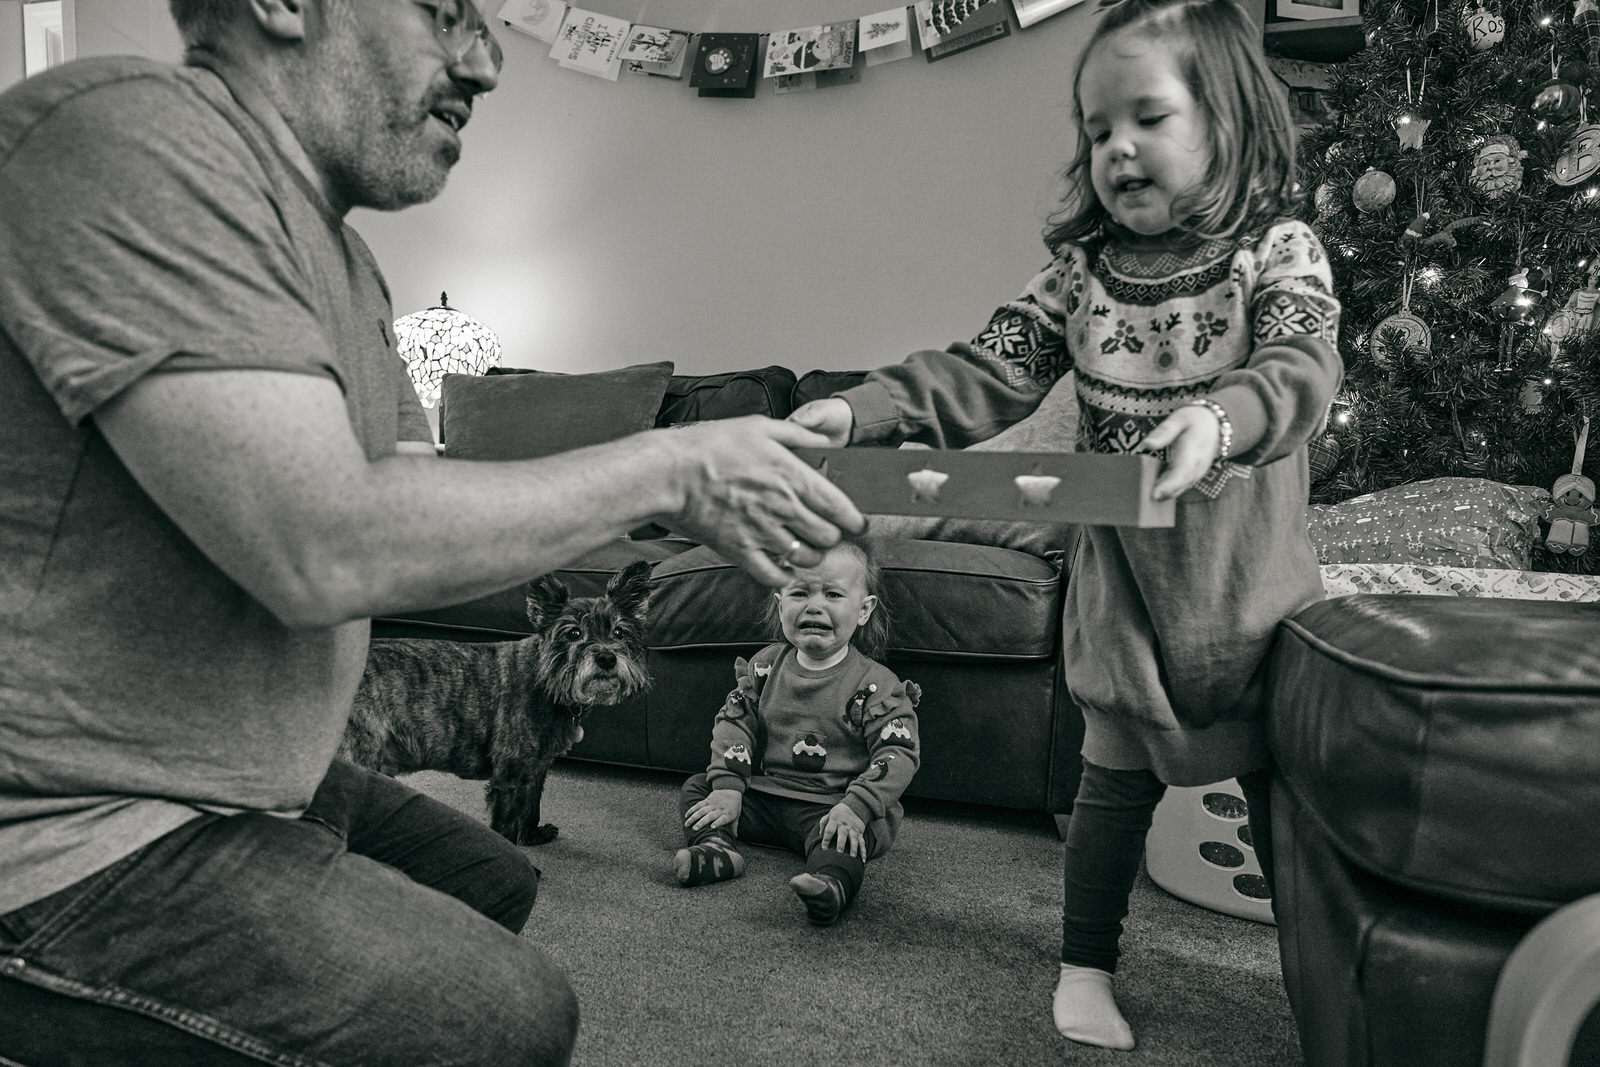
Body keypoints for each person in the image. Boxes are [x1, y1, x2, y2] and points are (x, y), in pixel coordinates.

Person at [0, 2, 864, 1063]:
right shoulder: (127, 137)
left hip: (256, 774)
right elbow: (325, 544)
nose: (489, 61)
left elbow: (416, 512)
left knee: (494, 875)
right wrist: (672, 467)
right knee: (507, 1014)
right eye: (446, 12)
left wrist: (686, 510)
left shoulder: (352, 270)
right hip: (69, 834)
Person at [790, 0, 1341, 1049]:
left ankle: (1313, 980)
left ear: (1224, 121)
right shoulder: (1075, 278)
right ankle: (1084, 962)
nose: (1115, 147)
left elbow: (1302, 371)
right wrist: (854, 411)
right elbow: (981, 371)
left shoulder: (1278, 250)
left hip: (1248, 592)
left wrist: (1221, 417)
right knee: (1111, 785)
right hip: (1122, 592)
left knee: (1279, 811)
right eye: (1095, 130)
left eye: (1146, 117)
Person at [674, 540, 921, 927]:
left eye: (833, 594)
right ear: (780, 604)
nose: (814, 605)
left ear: (863, 610)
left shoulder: (877, 685)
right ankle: (716, 849)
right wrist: (728, 785)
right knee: (699, 788)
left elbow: (897, 753)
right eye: (800, 593)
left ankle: (831, 885)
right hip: (768, 798)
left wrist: (857, 806)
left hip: (833, 806)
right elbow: (734, 721)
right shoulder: (765, 667)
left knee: (848, 838)